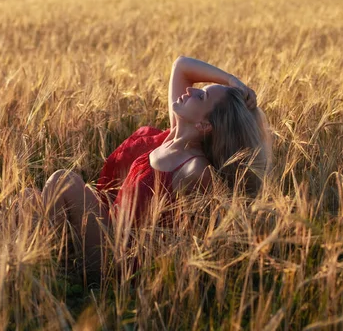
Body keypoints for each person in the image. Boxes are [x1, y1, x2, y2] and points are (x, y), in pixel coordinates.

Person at [34, 56, 272, 274]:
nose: (190, 89)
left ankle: (47, 272)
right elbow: (181, 66)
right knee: (26, 202)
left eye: (201, 96)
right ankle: (46, 266)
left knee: (63, 181)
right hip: (105, 228)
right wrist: (233, 81)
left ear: (204, 125)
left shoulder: (194, 168)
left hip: (117, 257)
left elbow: (216, 223)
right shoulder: (172, 137)